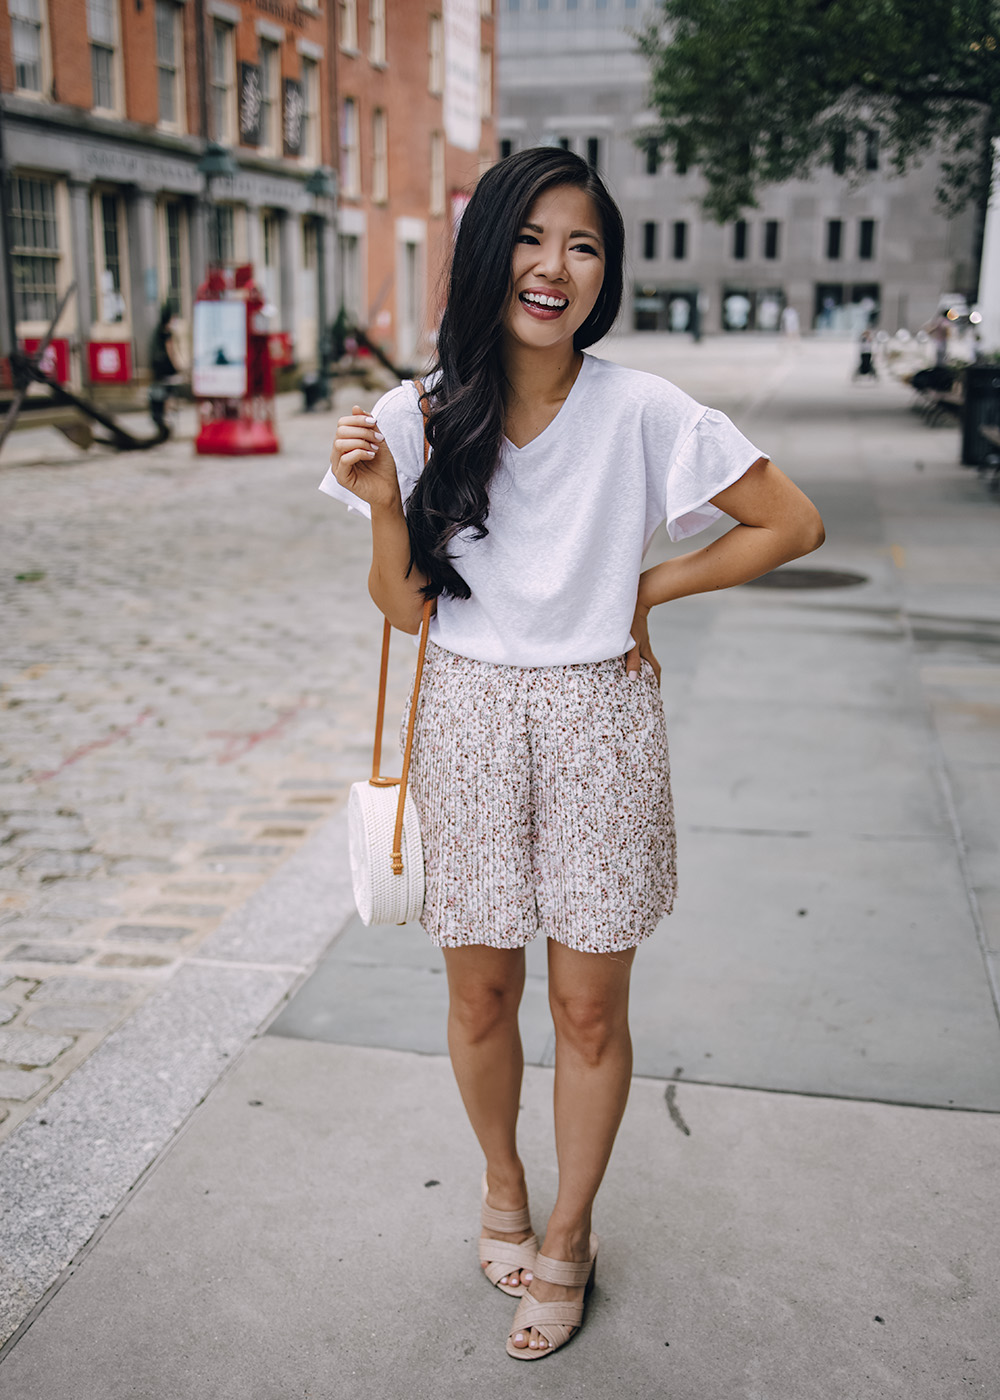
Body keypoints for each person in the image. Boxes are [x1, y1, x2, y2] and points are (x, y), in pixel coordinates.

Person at [322, 147, 824, 1361]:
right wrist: (388, 504)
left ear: (605, 272)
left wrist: (647, 585)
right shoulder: (418, 411)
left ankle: (570, 1231)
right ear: (489, 252)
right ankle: (501, 1183)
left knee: (589, 1011)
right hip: (469, 718)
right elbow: (407, 610)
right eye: (534, 239)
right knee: (480, 988)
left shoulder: (645, 408)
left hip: (601, 717)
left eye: (584, 245)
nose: (556, 267)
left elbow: (792, 522)